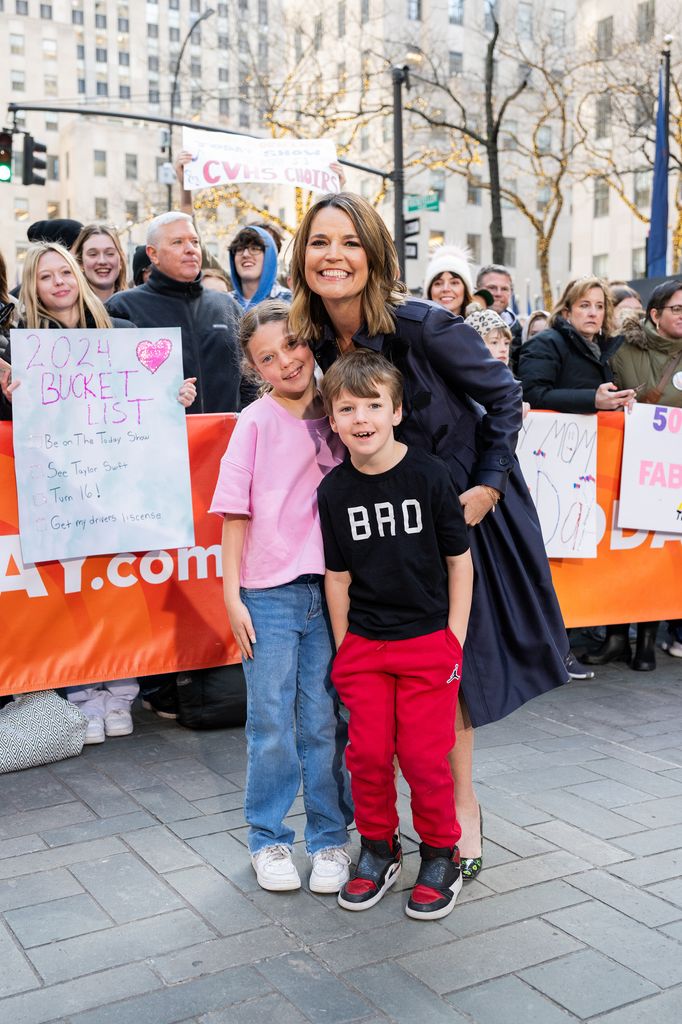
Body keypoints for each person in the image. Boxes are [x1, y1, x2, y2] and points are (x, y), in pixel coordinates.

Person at [289, 191, 573, 883]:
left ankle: (461, 813)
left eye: (350, 241)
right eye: (321, 242)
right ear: (303, 256)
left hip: (459, 510)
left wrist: (488, 482)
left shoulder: (422, 324)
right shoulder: (315, 340)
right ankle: (389, 828)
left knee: (453, 671)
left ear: (374, 252)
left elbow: (506, 394)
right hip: (381, 527)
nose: (335, 255)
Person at [3, 241, 197, 742]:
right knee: (74, 596)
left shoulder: (125, 335)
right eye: (46, 277)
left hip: (121, 489)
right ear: (34, 287)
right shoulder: (22, 347)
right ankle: (83, 697)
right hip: (61, 497)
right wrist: (10, 399)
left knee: (119, 593)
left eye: (64, 272)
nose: (59, 283)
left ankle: (122, 695)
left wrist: (174, 395)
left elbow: (153, 408)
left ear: (78, 276)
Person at [318, 351, 473, 919]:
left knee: (424, 757)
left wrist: (452, 638)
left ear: (397, 410)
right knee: (367, 755)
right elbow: (337, 577)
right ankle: (380, 850)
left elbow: (460, 561)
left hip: (428, 643)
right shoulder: (334, 491)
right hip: (365, 647)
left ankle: (441, 853)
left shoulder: (430, 475)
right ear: (332, 420)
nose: (361, 418)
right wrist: (344, 648)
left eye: (373, 405)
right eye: (346, 408)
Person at [210, 300, 352, 894]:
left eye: (292, 344)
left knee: (324, 722)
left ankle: (329, 839)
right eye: (267, 357)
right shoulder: (255, 422)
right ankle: (267, 838)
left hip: (334, 592)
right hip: (266, 596)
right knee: (271, 723)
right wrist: (232, 598)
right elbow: (233, 515)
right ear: (254, 369)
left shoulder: (345, 408)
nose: (286, 361)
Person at [587, 278, 682, 671]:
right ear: (655, 315)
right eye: (677, 309)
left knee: (659, 554)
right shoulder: (621, 349)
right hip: (622, 467)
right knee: (621, 553)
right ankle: (614, 637)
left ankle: (645, 639)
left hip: (670, 475)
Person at [107, 212, 244, 414]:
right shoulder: (122, 307)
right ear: (153, 254)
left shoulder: (227, 306)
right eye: (178, 242)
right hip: (155, 440)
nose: (190, 249)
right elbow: (110, 386)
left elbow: (250, 377)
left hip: (227, 441)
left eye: (195, 242)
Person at [519, 277, 635, 414]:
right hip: (554, 433)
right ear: (566, 313)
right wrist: (593, 399)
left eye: (599, 306)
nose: (593, 313)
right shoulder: (544, 343)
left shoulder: (605, 347)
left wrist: (618, 402)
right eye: (584, 305)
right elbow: (532, 395)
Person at [228, 225, 292, 310]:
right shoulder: (224, 303)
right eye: (239, 249)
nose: (245, 254)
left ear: (269, 256)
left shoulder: (289, 301)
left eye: (254, 249)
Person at [72, 224, 127, 302]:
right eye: (93, 254)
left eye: (110, 253)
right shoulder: (69, 311)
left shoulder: (135, 306)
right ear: (80, 262)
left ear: (121, 260)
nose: (102, 261)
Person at [423, 246, 473, 317]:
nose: (445, 289)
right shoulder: (414, 326)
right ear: (429, 291)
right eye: (438, 283)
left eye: (454, 283)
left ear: (466, 289)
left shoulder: (479, 326)